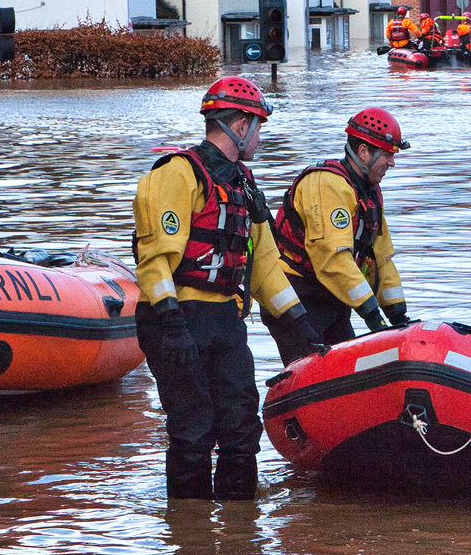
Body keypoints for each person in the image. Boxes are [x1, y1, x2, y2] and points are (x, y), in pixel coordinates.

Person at [132, 77, 325, 501]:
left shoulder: (243, 184)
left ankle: (240, 537)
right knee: (193, 425)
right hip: (175, 316)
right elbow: (155, 259)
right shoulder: (177, 174)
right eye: (258, 126)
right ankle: (189, 533)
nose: (260, 136)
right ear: (240, 126)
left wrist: (301, 328)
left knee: (240, 426)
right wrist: (171, 322)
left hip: (223, 316)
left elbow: (267, 268)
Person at [271, 107, 412, 345]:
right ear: (364, 152)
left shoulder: (369, 191)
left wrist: (398, 316)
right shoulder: (328, 185)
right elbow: (333, 259)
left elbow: (381, 258)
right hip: (299, 297)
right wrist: (373, 315)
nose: (392, 162)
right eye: (387, 154)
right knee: (314, 372)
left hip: (332, 297)